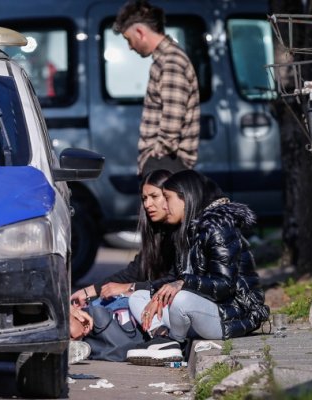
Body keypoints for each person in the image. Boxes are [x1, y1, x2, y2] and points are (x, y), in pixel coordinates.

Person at [126, 170, 270, 366]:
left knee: (181, 299)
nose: (164, 206)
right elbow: (177, 278)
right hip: (198, 310)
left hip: (230, 314)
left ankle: (174, 343)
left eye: (167, 198)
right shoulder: (186, 230)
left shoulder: (218, 227)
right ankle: (162, 337)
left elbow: (224, 285)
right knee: (139, 297)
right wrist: (153, 292)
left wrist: (183, 283)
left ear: (187, 198)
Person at [68, 169, 176, 363]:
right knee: (85, 310)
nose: (147, 204)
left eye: (154, 196)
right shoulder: (158, 234)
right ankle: (71, 345)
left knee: (115, 306)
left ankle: (161, 340)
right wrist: (87, 292)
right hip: (147, 302)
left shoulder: (184, 233)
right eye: (144, 198)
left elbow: (178, 280)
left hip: (165, 307)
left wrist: (129, 288)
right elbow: (134, 271)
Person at [113, 0, 200, 177]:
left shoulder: (171, 61)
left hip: (167, 163)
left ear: (139, 32)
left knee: (153, 205)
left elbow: (172, 122)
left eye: (128, 39)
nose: (130, 47)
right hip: (165, 162)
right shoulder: (166, 59)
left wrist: (153, 158)